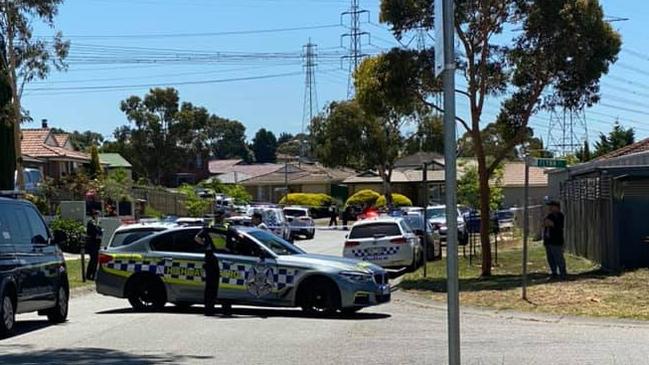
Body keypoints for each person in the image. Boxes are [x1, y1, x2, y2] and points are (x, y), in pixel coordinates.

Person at [194, 227, 232, 316]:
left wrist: (206, 245)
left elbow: (197, 238)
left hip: (212, 256)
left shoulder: (209, 228)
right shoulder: (226, 228)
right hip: (219, 258)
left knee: (211, 286)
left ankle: (209, 308)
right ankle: (211, 308)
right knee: (214, 285)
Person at [543, 201, 566, 280]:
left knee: (558, 257)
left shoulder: (560, 216)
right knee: (550, 258)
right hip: (548, 240)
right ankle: (554, 273)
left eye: (552, 206)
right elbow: (545, 224)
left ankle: (563, 273)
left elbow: (559, 226)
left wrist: (552, 224)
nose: (550, 208)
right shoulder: (549, 216)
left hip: (556, 240)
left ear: (556, 207)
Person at [85, 209, 103, 280]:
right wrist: (100, 231)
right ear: (94, 215)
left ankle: (92, 275)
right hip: (92, 245)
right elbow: (96, 232)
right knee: (93, 260)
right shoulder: (91, 223)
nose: (98, 217)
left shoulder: (96, 223)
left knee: (95, 260)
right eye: (97, 215)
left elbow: (100, 232)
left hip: (96, 244)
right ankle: (89, 275)